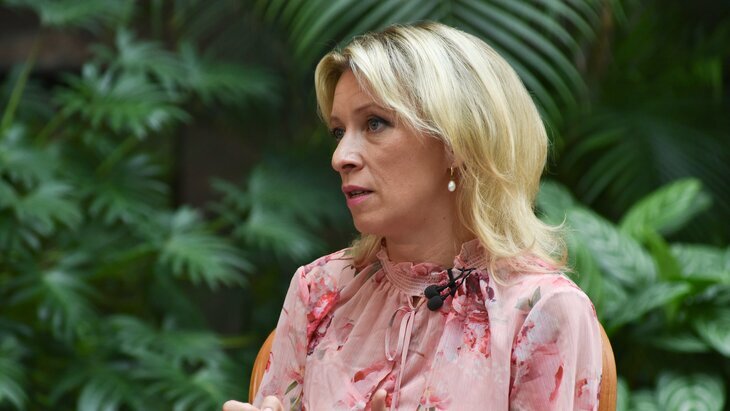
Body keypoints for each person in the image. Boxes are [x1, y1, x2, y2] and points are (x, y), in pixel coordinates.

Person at [224, 22, 603, 411]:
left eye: (374, 124)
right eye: (339, 131)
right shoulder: (319, 290)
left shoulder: (542, 310)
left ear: (457, 142)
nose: (340, 158)